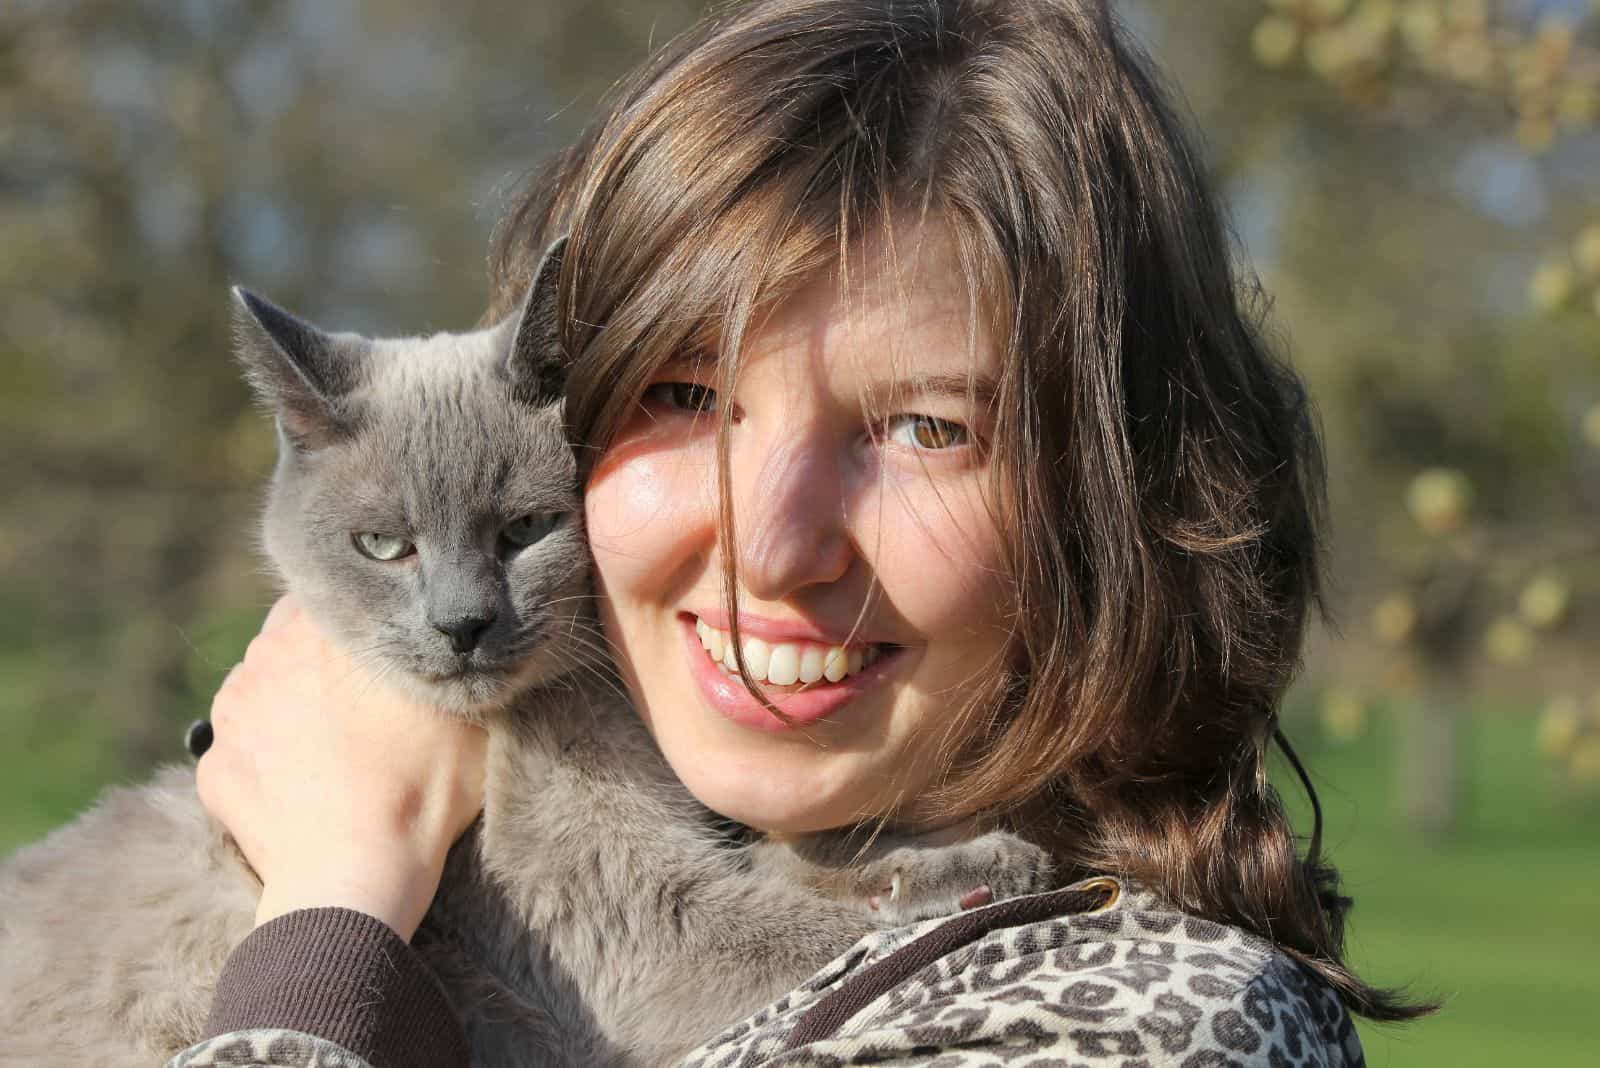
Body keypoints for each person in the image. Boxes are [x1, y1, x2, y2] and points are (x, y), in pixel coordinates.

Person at [179, 1, 1431, 1065]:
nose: (773, 544)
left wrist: (327, 921)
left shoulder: (1157, 1027)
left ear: (1129, 501)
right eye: (686, 398)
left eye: (928, 430)